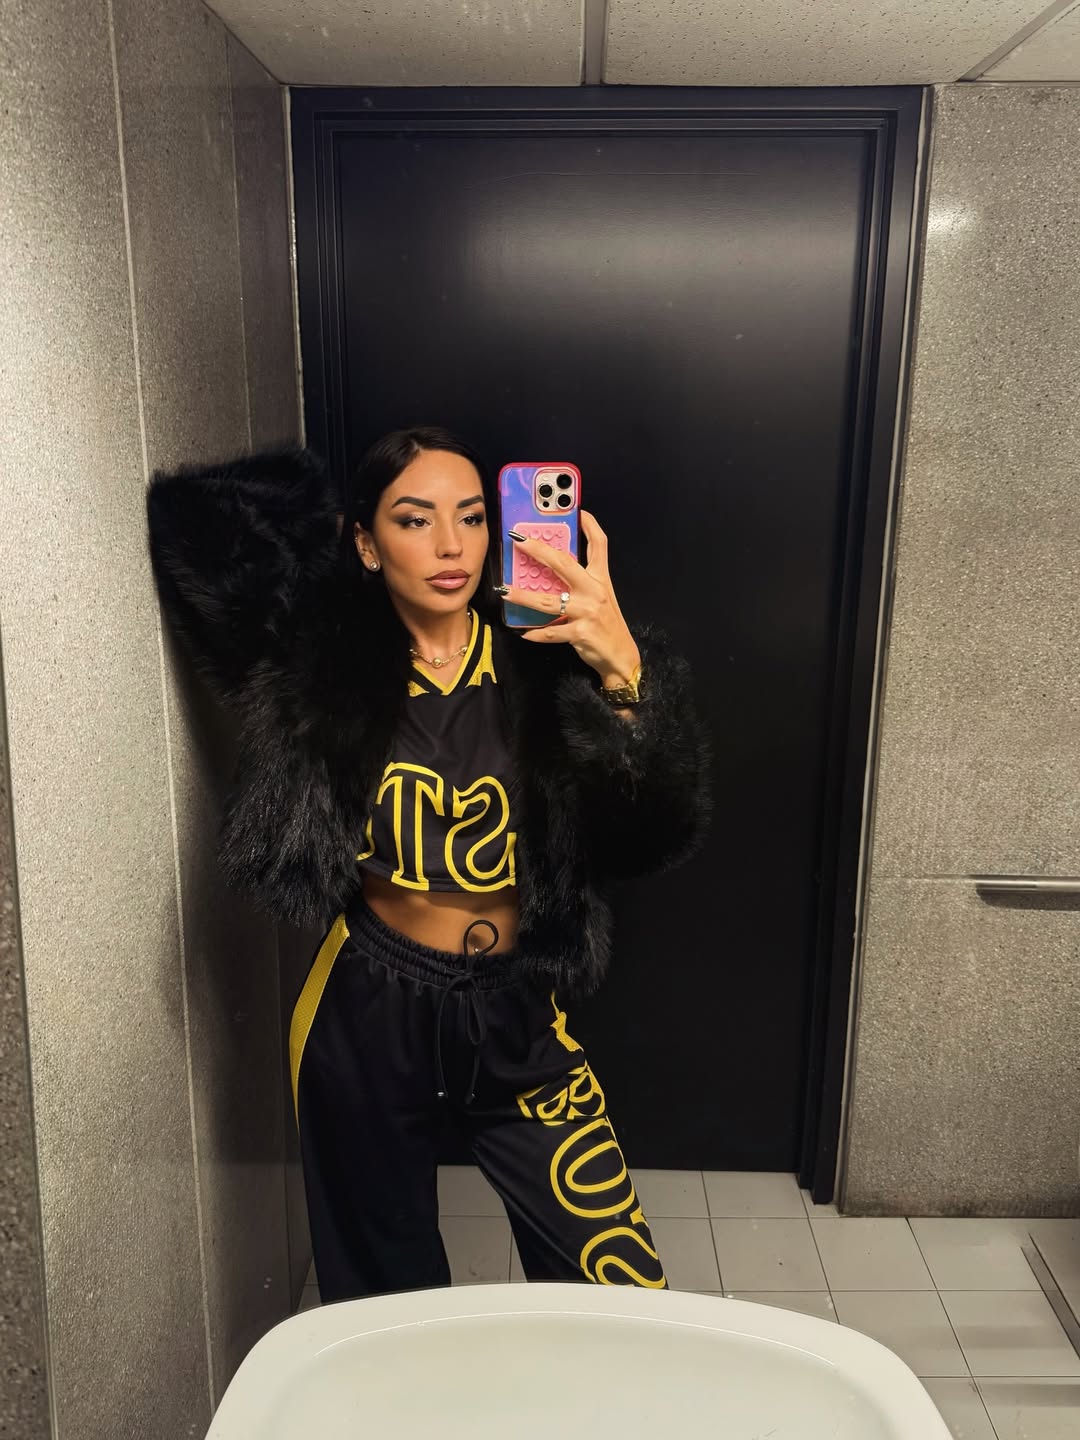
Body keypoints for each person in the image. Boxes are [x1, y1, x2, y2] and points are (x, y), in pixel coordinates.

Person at [148, 426, 709, 1300]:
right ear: (368, 543)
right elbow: (187, 520)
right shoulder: (319, 668)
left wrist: (625, 672)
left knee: (618, 1290)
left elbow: (656, 834)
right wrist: (324, 547)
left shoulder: (548, 665)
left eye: (473, 517)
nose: (452, 545)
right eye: (414, 520)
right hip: (366, 1007)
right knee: (385, 1298)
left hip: (516, 1010)